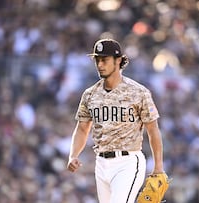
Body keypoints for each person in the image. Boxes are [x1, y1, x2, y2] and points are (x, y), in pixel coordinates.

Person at [67, 38, 165, 203]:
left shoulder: (138, 92)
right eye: (97, 60)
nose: (100, 64)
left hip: (128, 162)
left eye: (104, 60)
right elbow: (82, 128)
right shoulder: (90, 94)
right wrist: (73, 155)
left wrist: (158, 167)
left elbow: (153, 129)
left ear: (118, 60)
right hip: (101, 163)